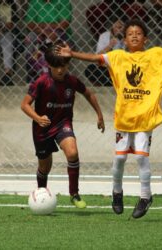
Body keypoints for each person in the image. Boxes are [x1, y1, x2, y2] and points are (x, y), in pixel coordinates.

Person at [56, 19, 162, 218]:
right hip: (124, 118)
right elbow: (95, 58)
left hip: (145, 118)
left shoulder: (154, 54)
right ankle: (117, 192)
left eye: (139, 33)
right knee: (120, 157)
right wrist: (73, 54)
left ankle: (146, 196)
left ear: (145, 38)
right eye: (130, 33)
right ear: (125, 40)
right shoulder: (118, 57)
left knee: (140, 156)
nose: (135, 35)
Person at [20, 42, 105, 209]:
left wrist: (100, 115)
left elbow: (88, 93)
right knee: (45, 167)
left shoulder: (72, 81)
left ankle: (74, 194)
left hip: (62, 124)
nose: (60, 70)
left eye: (64, 65)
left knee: (72, 153)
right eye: (56, 66)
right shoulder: (42, 82)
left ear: (68, 64)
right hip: (42, 128)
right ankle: (41, 195)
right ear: (49, 65)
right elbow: (25, 105)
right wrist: (38, 118)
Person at [24, 0, 73, 83]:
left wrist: (43, 26)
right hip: (38, 32)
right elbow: (29, 24)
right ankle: (32, 74)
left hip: (59, 33)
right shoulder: (34, 2)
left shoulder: (64, 2)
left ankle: (52, 75)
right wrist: (46, 29)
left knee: (56, 36)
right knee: (30, 37)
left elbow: (64, 24)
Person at [84, 19, 125, 86]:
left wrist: (125, 44)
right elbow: (97, 56)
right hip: (105, 67)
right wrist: (109, 46)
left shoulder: (127, 37)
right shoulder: (104, 36)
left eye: (120, 27)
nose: (118, 30)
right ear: (112, 26)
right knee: (90, 69)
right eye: (116, 27)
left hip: (118, 67)